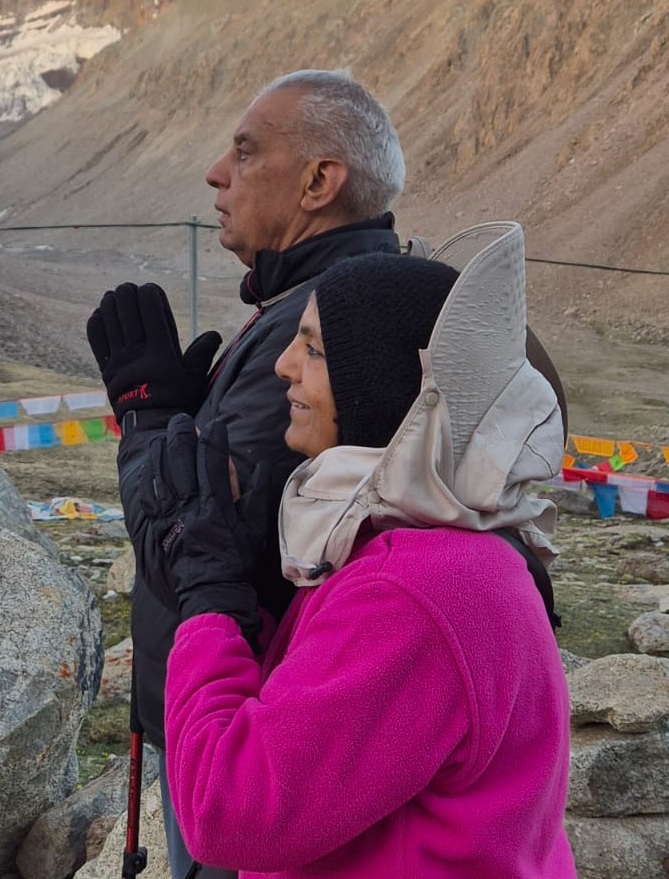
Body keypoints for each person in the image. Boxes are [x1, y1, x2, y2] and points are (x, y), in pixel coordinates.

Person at [137, 224, 575, 878]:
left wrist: (211, 595)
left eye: (313, 349)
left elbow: (224, 810)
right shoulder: (445, 550)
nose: (284, 365)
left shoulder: (412, 590)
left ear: (379, 383)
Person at [88, 70, 408, 879]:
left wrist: (147, 419)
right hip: (227, 700)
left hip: (240, 716)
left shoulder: (326, 325)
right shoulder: (309, 308)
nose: (215, 175)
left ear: (318, 183)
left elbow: (195, 543)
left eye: (244, 151)